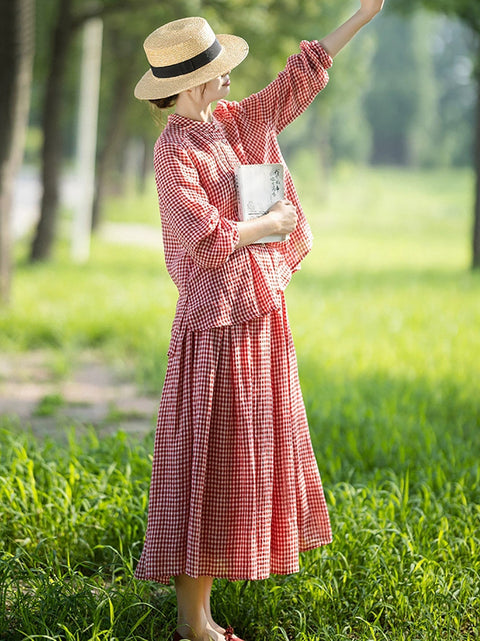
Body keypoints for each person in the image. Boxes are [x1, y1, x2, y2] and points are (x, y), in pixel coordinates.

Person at [133, 3, 384, 640]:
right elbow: (199, 236)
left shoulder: (232, 124)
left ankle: (202, 617)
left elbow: (295, 81)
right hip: (216, 329)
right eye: (217, 71)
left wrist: (361, 15)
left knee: (238, 460)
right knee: (208, 464)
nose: (228, 80)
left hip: (258, 318)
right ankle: (194, 622)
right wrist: (266, 228)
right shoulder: (173, 152)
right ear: (189, 84)